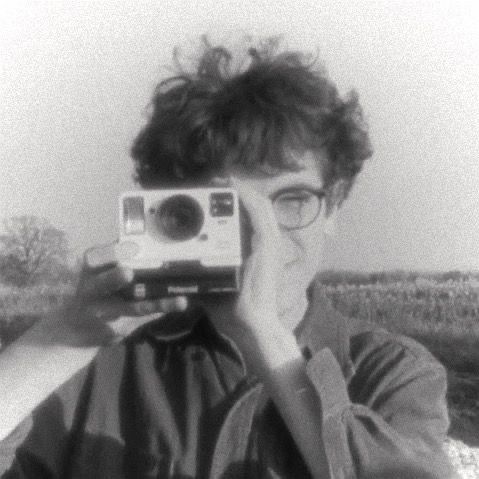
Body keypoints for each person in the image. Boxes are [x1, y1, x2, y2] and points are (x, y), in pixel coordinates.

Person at [0, 37, 455, 478]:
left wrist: (267, 340)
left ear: (333, 205)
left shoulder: (390, 374)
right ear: (173, 207)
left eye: (291, 200)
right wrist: (60, 340)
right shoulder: (98, 370)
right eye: (227, 209)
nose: (264, 238)